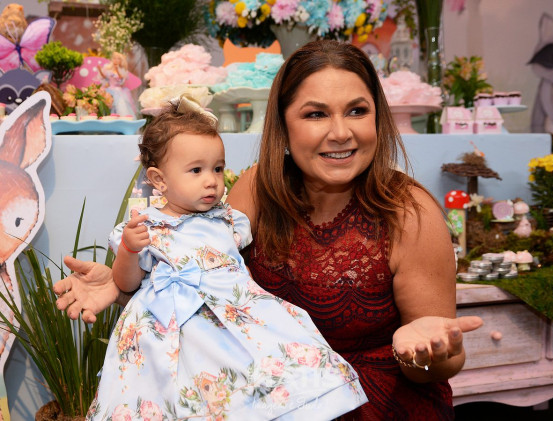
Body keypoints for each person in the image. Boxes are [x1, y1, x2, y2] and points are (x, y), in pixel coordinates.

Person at [55, 40, 483, 420]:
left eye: (357, 110)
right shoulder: (259, 188)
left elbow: (440, 365)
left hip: (380, 404)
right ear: (284, 123)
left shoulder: (409, 211)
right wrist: (123, 284)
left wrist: (424, 351)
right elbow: (207, 282)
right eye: (316, 114)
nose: (341, 132)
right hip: (272, 400)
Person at [83, 94, 367, 420]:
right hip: (169, 330)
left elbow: (245, 264)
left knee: (258, 373)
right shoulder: (147, 226)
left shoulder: (228, 220)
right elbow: (126, 283)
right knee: (172, 394)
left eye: (218, 168)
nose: (212, 181)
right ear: (159, 180)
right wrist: (130, 250)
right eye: (196, 170)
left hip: (230, 319)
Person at [97, 52, 137, 118]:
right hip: (109, 90)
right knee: (108, 104)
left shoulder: (123, 70)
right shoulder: (109, 69)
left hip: (118, 91)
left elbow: (121, 80)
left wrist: (117, 70)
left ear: (121, 61)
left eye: (118, 59)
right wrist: (100, 70)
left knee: (121, 105)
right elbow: (105, 77)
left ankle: (121, 119)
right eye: (114, 58)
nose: (116, 60)